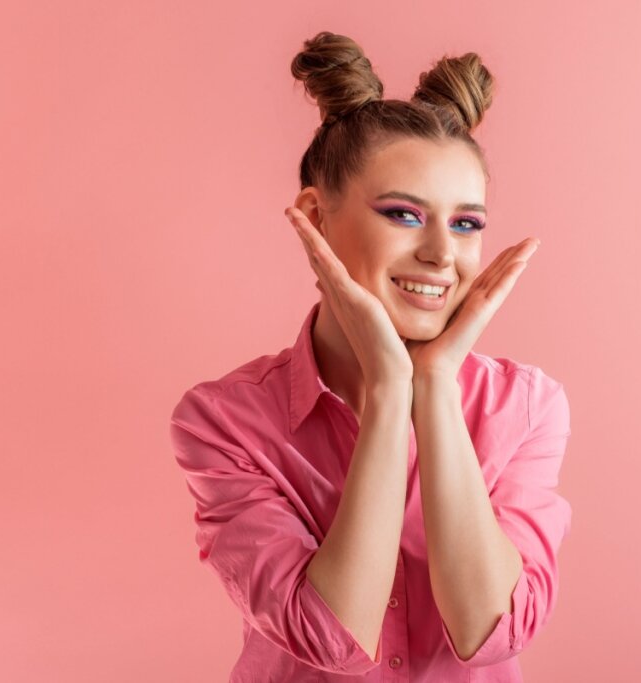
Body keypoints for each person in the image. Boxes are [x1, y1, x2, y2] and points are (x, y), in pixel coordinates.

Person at [169, 31, 573, 682]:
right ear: (316, 216)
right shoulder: (222, 419)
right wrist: (389, 388)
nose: (443, 254)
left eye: (466, 222)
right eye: (405, 214)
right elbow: (328, 636)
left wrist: (436, 383)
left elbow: (491, 631)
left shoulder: (526, 407)